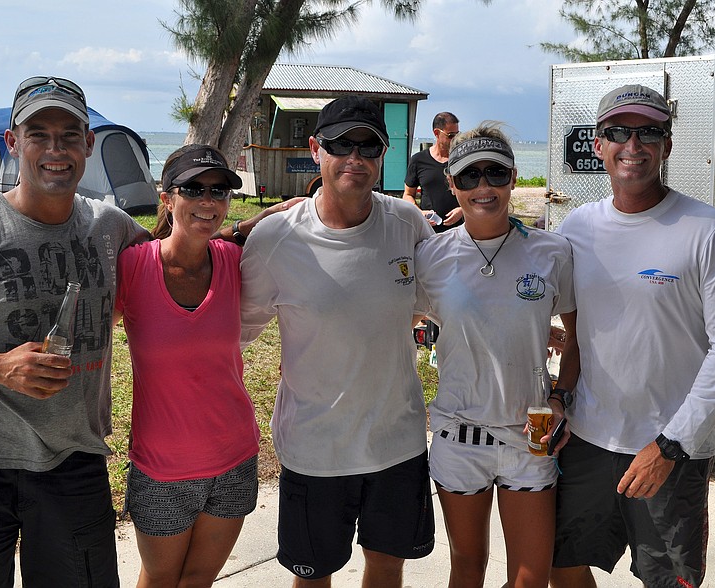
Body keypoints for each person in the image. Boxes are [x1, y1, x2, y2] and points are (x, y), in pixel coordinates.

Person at [0, 76, 150, 587]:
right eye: (38, 133)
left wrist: (259, 225)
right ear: (13, 142)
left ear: (88, 143)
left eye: (69, 134)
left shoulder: (112, 226)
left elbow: (171, 260)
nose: (54, 149)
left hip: (75, 460)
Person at [549, 84, 715, 588]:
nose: (632, 146)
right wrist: (557, 397)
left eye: (648, 133)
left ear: (667, 145)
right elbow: (570, 328)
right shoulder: (578, 227)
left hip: (672, 448)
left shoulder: (710, 229)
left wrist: (671, 445)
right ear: (598, 144)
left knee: (670, 581)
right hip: (589, 437)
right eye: (618, 132)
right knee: (562, 563)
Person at [240, 95, 436, 587]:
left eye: (369, 146)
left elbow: (446, 296)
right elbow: (231, 337)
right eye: (340, 144)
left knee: (388, 567)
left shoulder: (407, 223)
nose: (356, 157)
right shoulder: (276, 238)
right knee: (313, 577)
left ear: (384, 154)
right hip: (315, 448)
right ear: (315, 149)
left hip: (397, 440)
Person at [115, 144, 297, 587]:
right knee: (159, 580)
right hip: (161, 468)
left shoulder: (237, 262)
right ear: (167, 198)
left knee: (199, 579)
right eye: (193, 189)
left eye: (219, 191)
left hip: (234, 457)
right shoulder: (133, 267)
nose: (208, 201)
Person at [416, 122, 575, 588]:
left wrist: (562, 397)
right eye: (469, 177)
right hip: (457, 431)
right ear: (451, 183)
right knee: (468, 567)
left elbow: (578, 337)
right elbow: (393, 319)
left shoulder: (552, 251)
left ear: (513, 177)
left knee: (531, 577)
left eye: (495, 174)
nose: (483, 187)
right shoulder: (430, 256)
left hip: (533, 430)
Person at [404, 111, 463, 232]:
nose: (455, 140)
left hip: (459, 232)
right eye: (451, 135)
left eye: (458, 135)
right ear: (437, 133)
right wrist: (419, 213)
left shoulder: (462, 159)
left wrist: (462, 210)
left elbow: (475, 193)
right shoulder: (418, 160)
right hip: (428, 232)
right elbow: (408, 194)